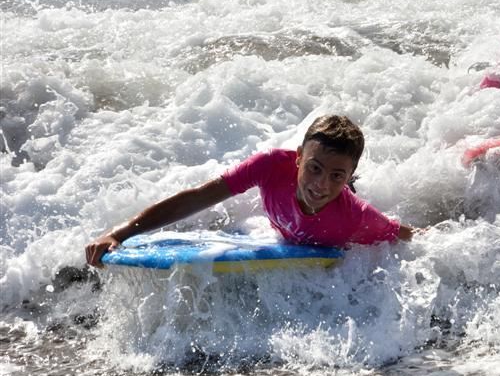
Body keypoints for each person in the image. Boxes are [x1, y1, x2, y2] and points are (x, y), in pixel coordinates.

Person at [85, 114, 415, 267]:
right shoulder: (270, 166)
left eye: (337, 176)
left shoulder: (354, 217)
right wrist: (121, 232)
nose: (321, 184)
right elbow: (200, 197)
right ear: (298, 157)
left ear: (349, 174)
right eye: (314, 168)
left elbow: (403, 237)